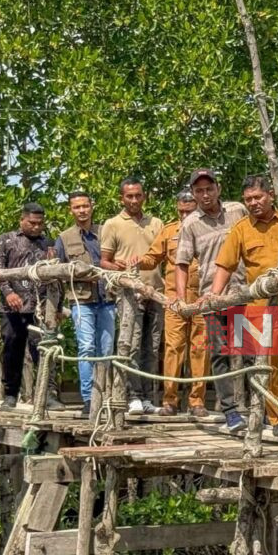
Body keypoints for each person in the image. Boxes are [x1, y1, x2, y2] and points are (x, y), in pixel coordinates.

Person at [212, 174, 278, 434]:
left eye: (258, 197)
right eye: (248, 199)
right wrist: (214, 296)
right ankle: (277, 419)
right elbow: (225, 265)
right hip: (259, 307)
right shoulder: (241, 228)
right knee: (265, 364)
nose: (253, 203)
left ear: (270, 195)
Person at [175, 168, 249, 432]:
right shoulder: (190, 223)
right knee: (219, 353)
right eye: (199, 191)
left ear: (218, 188)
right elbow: (181, 264)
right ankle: (231, 411)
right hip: (212, 298)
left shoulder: (238, 210)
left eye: (209, 189)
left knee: (251, 352)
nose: (205, 195)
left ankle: (255, 408)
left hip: (245, 293)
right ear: (194, 194)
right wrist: (182, 301)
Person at [133, 188, 209, 417]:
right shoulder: (169, 231)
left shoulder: (208, 228)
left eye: (190, 210)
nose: (185, 215)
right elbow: (152, 258)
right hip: (175, 298)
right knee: (173, 349)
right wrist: (138, 262)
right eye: (181, 211)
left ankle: (197, 401)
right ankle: (170, 400)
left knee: (200, 348)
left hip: (203, 298)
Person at [100, 177, 164, 415]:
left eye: (138, 195)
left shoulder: (156, 223)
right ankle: (133, 396)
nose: (134, 200)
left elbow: (164, 254)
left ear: (144, 196)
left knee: (152, 348)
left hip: (155, 292)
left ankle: (147, 397)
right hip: (128, 294)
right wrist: (118, 267)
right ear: (122, 198)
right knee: (132, 345)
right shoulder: (112, 224)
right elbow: (103, 261)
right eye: (130, 196)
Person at [0, 202, 60, 410]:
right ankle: (11, 394)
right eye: (32, 223)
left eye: (40, 223)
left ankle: (47, 394)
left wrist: (57, 306)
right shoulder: (6, 240)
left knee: (44, 350)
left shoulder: (48, 243)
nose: (37, 227)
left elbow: (56, 275)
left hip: (40, 306)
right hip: (12, 306)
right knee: (12, 348)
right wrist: (9, 292)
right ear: (22, 220)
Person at [54, 191, 115, 416]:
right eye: (76, 207)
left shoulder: (105, 232)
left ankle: (105, 397)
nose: (81, 210)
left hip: (108, 299)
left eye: (85, 206)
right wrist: (59, 305)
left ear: (92, 206)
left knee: (107, 350)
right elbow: (58, 274)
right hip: (81, 301)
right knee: (86, 348)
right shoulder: (63, 238)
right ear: (71, 210)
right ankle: (89, 399)